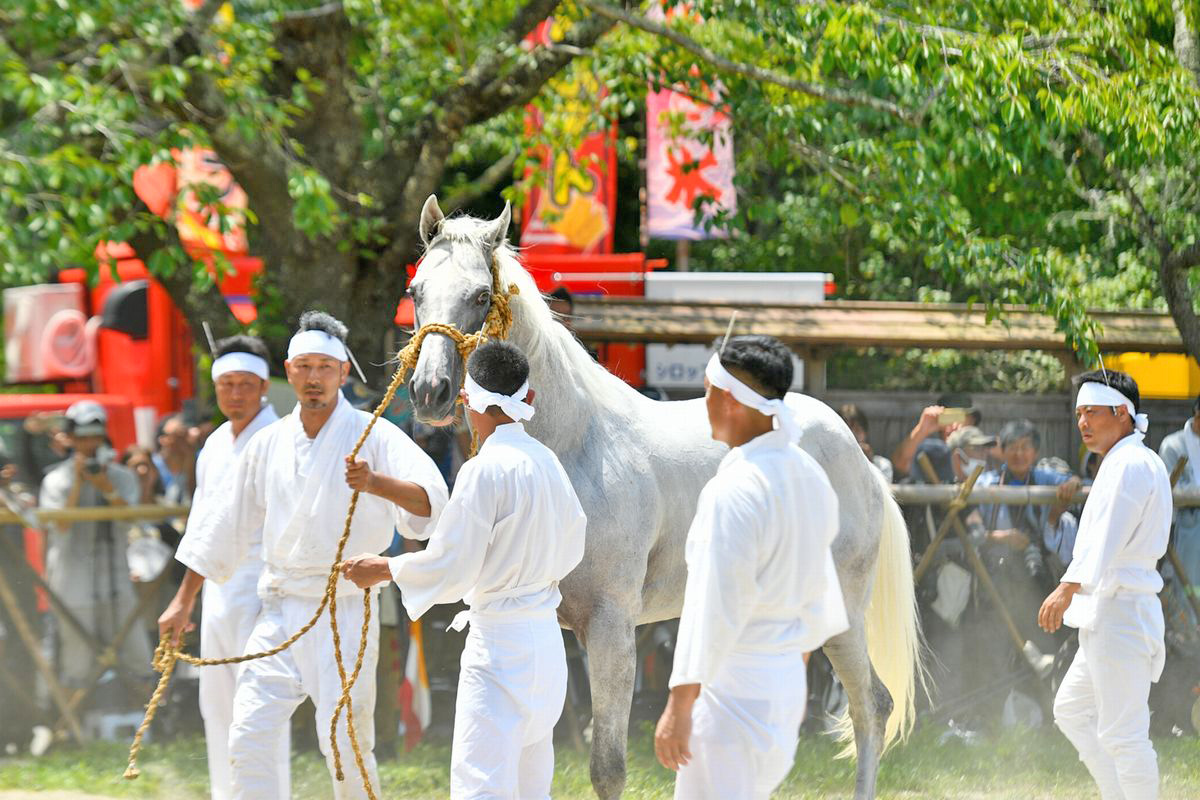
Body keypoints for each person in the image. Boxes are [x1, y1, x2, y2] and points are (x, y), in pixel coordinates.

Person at [176, 312, 448, 800]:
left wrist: (376, 482)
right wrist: (181, 602)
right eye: (304, 366)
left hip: (343, 606)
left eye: (325, 366)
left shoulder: (373, 435)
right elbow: (223, 527)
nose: (314, 377)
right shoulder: (270, 442)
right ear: (289, 371)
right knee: (249, 729)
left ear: (343, 373)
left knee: (344, 741)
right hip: (280, 607)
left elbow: (431, 503)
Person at [341, 340, 587, 800]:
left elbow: (452, 566)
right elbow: (573, 546)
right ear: (527, 400)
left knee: (482, 784)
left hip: (500, 645)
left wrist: (386, 567)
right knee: (533, 783)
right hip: (545, 642)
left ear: (468, 400)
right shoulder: (547, 461)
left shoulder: (484, 471)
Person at [653, 335, 846, 800]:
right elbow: (818, 589)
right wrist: (791, 676)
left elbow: (711, 604)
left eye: (706, 392)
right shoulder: (809, 475)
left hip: (730, 695)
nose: (703, 404)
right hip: (784, 684)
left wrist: (681, 703)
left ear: (728, 399)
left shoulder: (735, 488)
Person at [157, 335, 285, 800]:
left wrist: (180, 599)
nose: (235, 394)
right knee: (216, 705)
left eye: (245, 384)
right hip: (215, 591)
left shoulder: (277, 439)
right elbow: (201, 526)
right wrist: (190, 599)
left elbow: (226, 530)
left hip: (262, 589)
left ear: (263, 386)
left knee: (258, 709)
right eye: (226, 384)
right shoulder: (213, 444)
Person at [1038, 369, 1171, 800]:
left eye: (1091, 411)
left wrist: (1067, 585)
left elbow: (1108, 534)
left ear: (1121, 412)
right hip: (1110, 612)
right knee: (1072, 711)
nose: (1082, 422)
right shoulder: (1124, 461)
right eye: (1079, 413)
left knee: (1125, 736)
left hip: (1123, 613)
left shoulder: (1131, 462)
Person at [37, 401, 152, 689]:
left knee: (135, 645)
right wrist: (78, 482)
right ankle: (76, 721)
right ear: (71, 439)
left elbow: (132, 518)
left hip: (115, 575)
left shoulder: (120, 477)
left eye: (94, 436)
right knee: (77, 654)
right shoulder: (55, 479)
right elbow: (59, 525)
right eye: (83, 437)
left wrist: (105, 487)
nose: (89, 444)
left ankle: (150, 714)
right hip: (72, 579)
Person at [1158, 393, 1200, 615]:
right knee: (1188, 589)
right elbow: (1169, 490)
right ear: (1197, 414)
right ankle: (1190, 637)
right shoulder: (1173, 445)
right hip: (1186, 526)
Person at [891, 392, 976, 482]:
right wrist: (921, 430)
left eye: (959, 418)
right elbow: (900, 465)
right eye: (948, 418)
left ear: (971, 421)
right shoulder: (931, 452)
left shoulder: (984, 449)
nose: (954, 425)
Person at [838, 402, 893, 482]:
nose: (853, 436)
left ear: (866, 432)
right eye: (847, 431)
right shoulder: (830, 463)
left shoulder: (883, 465)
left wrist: (869, 463)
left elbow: (881, 491)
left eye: (857, 430)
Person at [153, 412, 196, 504]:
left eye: (184, 434)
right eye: (177, 435)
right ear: (162, 439)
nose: (182, 440)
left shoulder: (201, 460)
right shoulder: (152, 465)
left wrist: (190, 458)